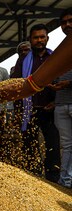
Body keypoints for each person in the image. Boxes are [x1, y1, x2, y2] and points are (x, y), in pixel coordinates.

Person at [11, 24, 60, 181]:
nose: (39, 40)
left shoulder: (54, 58)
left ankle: (53, 178)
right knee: (29, 145)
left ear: (47, 38)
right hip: (29, 112)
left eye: (42, 37)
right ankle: (34, 177)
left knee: (52, 144)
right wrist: (18, 111)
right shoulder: (23, 60)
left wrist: (55, 102)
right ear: (30, 40)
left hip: (49, 111)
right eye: (36, 37)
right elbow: (17, 84)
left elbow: (61, 81)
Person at [48, 8, 72, 188]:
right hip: (62, 103)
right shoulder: (61, 49)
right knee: (67, 145)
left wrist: (69, 84)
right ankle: (66, 181)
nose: (67, 25)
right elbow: (57, 75)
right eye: (63, 22)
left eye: (70, 20)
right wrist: (54, 86)